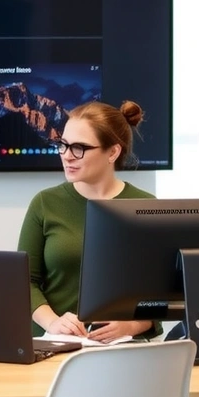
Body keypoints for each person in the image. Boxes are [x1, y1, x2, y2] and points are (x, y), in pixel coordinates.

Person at [18, 99, 156, 342]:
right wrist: (54, 323)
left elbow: (161, 292)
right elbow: (23, 281)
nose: (67, 156)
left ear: (113, 152)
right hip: (55, 346)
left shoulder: (147, 206)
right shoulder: (44, 203)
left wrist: (131, 326)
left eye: (79, 148)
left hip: (128, 349)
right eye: (63, 145)